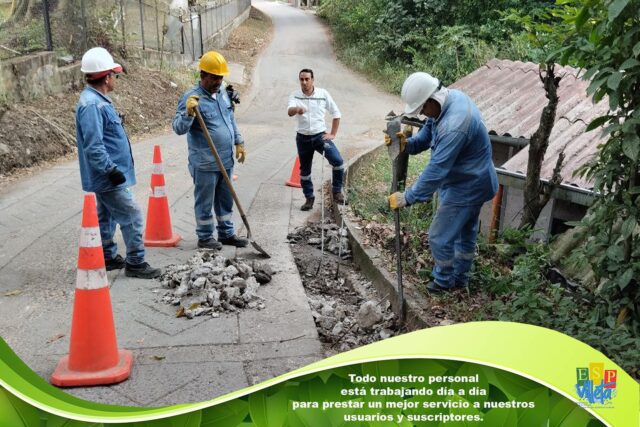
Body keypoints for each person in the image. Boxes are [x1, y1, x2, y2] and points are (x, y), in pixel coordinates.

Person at [386, 72, 498, 292]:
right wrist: (406, 145)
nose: (422, 114)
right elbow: (426, 138)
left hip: (469, 186)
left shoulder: (455, 124)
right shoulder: (445, 103)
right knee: (464, 232)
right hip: (468, 179)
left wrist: (407, 197)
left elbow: (436, 170)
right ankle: (460, 278)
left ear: (431, 100)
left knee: (438, 236)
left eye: (422, 109)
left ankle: (443, 282)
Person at [75, 47, 161, 279]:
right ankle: (135, 261)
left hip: (109, 174)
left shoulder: (99, 100)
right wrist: (110, 169)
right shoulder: (92, 105)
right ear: (107, 77)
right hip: (108, 176)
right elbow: (93, 145)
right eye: (114, 75)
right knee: (131, 214)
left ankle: (107, 255)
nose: (116, 79)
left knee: (107, 215)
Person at [172, 51, 248, 249]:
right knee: (205, 202)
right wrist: (188, 113)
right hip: (205, 162)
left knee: (225, 199)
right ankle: (205, 237)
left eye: (221, 77)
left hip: (226, 159)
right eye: (214, 77)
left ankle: (226, 233)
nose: (218, 81)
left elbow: (230, 119)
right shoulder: (191, 98)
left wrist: (239, 141)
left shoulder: (222, 93)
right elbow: (178, 128)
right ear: (203, 75)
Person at [287, 68, 346, 211]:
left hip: (320, 137)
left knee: (338, 161)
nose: (304, 82)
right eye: (302, 79)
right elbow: (289, 111)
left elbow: (336, 113)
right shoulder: (295, 95)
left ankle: (337, 191)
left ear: (313, 80)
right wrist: (296, 109)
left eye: (307, 79)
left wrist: (332, 133)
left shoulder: (323, 94)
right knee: (305, 171)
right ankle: (309, 198)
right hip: (302, 138)